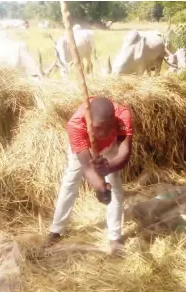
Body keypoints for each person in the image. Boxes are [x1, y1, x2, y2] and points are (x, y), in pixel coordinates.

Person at [45, 96, 133, 254]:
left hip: (110, 147)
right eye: (98, 128)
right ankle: (56, 230)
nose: (103, 133)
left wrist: (109, 167)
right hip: (84, 148)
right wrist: (100, 187)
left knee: (115, 186)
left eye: (108, 127)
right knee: (71, 181)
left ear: (114, 120)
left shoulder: (123, 116)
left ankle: (115, 238)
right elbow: (86, 166)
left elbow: (125, 153)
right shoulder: (76, 124)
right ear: (89, 121)